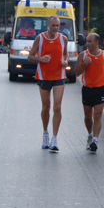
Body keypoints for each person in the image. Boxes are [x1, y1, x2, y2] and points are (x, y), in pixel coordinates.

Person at [28, 16, 69, 153]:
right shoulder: (40, 38)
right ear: (48, 25)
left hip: (59, 75)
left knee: (57, 107)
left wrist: (65, 62)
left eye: (58, 26)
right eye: (53, 26)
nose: (56, 28)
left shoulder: (63, 39)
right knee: (46, 106)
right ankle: (45, 133)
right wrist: (41, 59)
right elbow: (30, 56)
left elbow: (65, 55)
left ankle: (54, 138)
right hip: (44, 75)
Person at [75, 33, 104, 153]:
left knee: (97, 115)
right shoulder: (83, 55)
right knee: (88, 116)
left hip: (100, 88)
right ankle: (90, 134)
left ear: (97, 42)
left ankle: (95, 141)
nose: (87, 44)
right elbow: (77, 72)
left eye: (90, 41)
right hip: (87, 89)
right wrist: (84, 64)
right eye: (87, 41)